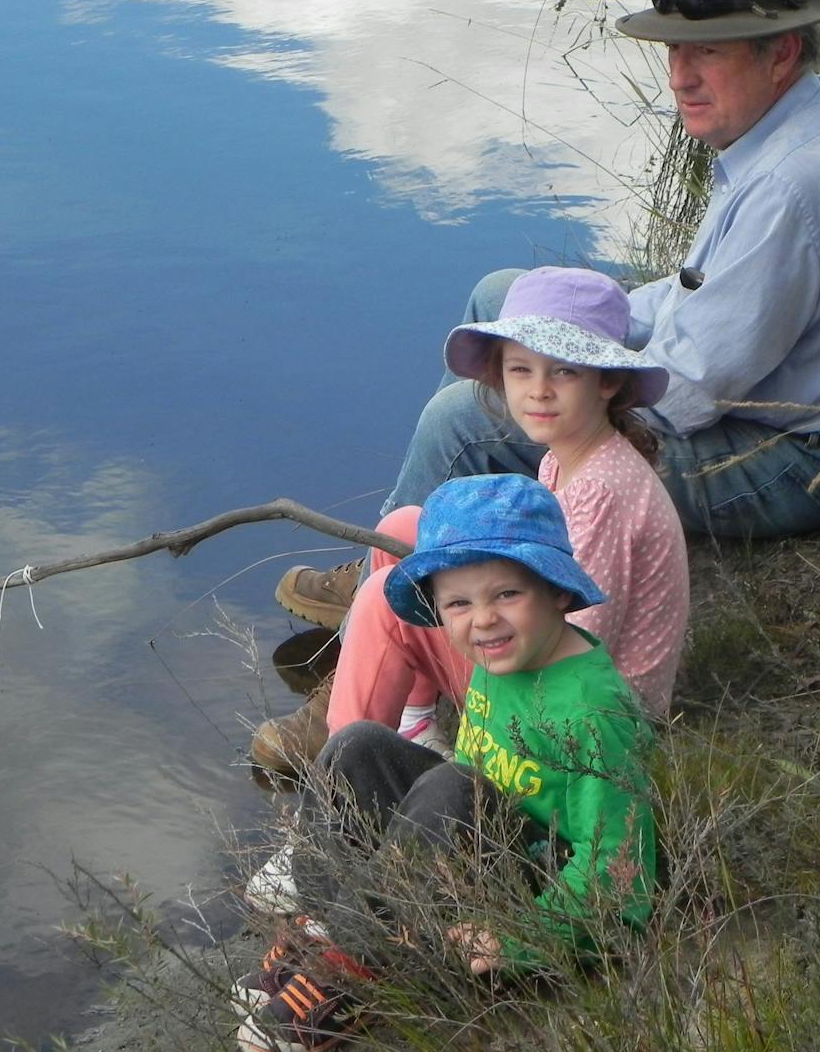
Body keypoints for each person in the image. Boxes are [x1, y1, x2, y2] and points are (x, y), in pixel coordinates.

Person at [275, 0, 820, 624]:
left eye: (707, 54)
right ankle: (420, 548)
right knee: (502, 297)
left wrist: (570, 385)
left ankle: (381, 619)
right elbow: (695, 297)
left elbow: (687, 392)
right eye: (675, 53)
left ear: (782, 54)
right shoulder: (813, 126)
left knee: (466, 423)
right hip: (767, 408)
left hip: (795, 464)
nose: (681, 77)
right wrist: (578, 326)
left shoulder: (790, 185)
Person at [235, 474, 657, 1052]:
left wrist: (523, 939)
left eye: (506, 594)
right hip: (481, 849)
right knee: (359, 744)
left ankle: (361, 966)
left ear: (558, 591)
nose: (482, 620)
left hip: (538, 888)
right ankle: (327, 927)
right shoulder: (504, 655)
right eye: (459, 603)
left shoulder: (589, 712)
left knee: (454, 783)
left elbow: (621, 868)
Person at [251, 268, 689, 774]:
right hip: (562, 679)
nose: (539, 391)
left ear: (607, 380)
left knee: (383, 597)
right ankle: (413, 725)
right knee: (406, 529)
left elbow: (581, 640)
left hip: (588, 718)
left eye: (563, 372)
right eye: (521, 370)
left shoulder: (598, 491)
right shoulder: (566, 456)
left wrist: (458, 601)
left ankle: (343, 789)